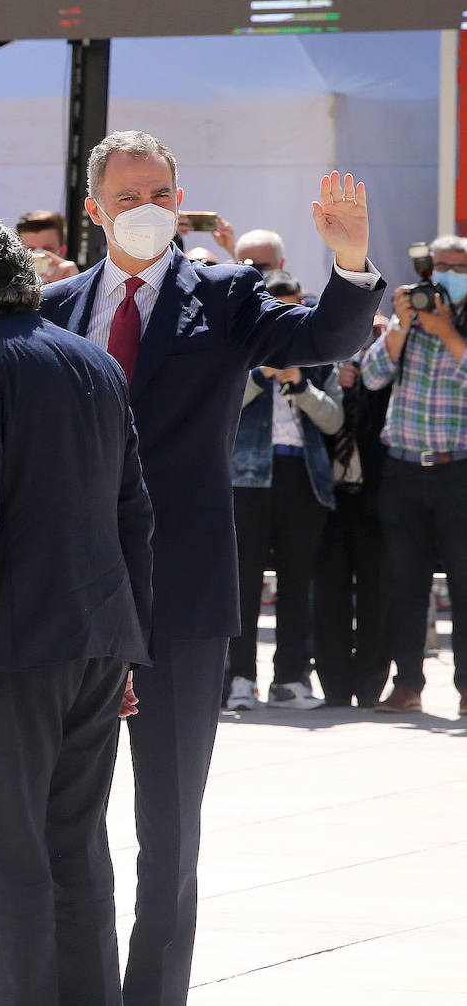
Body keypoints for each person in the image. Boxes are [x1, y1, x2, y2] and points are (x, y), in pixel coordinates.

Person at [40, 130, 382, 1005]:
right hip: (71, 603)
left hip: (179, 597)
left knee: (169, 835)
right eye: (128, 198)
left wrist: (348, 262)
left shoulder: (223, 294)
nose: (148, 211)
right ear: (93, 209)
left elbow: (321, 337)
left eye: (162, 194)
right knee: (63, 823)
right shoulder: (58, 308)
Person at [0, 214, 152, 1006]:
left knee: (0, 864)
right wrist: (127, 645)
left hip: (7, 655)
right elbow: (133, 513)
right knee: (77, 853)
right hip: (96, 640)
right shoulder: (93, 361)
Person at [359, 234, 467, 717]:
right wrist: (403, 325)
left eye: (457, 265)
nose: (445, 272)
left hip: (458, 471)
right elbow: (371, 375)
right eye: (439, 264)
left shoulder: (453, 323)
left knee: (464, 584)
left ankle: (466, 689)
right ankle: (407, 685)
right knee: (405, 583)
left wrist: (447, 331)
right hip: (403, 468)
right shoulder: (410, 318)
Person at [227, 272, 345, 710]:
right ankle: (239, 676)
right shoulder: (238, 353)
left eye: (294, 309)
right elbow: (221, 405)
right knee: (243, 583)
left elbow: (335, 421)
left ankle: (292, 677)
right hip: (247, 479)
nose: (286, 318)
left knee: (299, 582)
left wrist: (302, 385)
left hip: (303, 478)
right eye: (278, 310)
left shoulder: (318, 358)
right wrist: (262, 375)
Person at [314, 312, 394, 708]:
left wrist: (362, 387)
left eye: (374, 336)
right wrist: (341, 389)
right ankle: (333, 684)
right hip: (330, 501)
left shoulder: (388, 378)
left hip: (375, 503)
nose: (364, 345)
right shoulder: (323, 367)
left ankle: (371, 684)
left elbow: (379, 429)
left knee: (376, 596)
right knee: (329, 596)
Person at [15, 209, 80, 282]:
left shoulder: (72, 282)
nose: (39, 254)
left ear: (62, 252)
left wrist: (76, 284)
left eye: (48, 249)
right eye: (30, 249)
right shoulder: (5, 289)